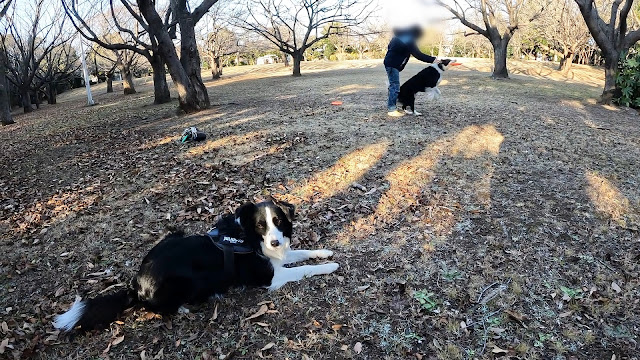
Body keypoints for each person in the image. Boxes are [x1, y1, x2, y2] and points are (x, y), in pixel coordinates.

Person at [384, 26, 439, 117]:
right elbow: (418, 54)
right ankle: (391, 109)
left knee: (394, 85)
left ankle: (392, 105)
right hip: (392, 64)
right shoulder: (409, 39)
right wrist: (433, 59)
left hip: (390, 63)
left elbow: (391, 48)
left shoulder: (398, 37)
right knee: (395, 86)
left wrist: (400, 64)